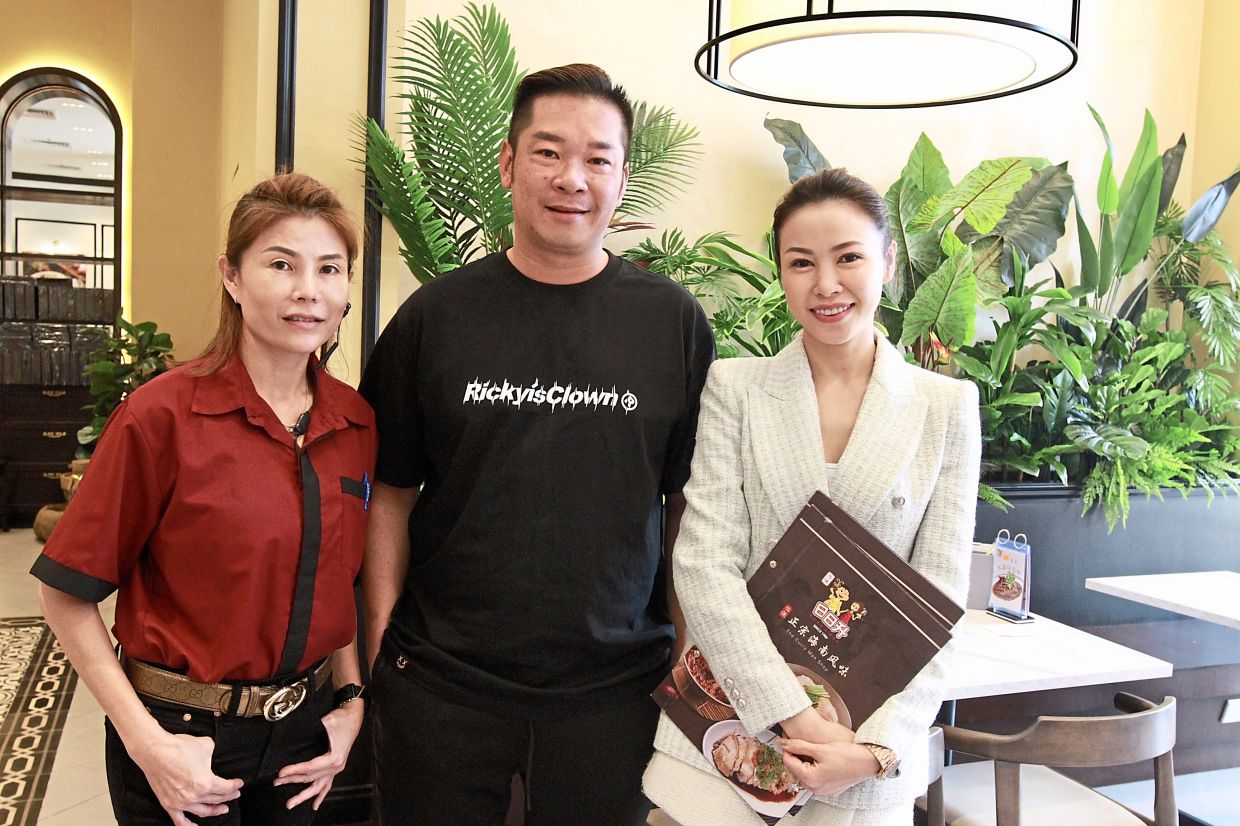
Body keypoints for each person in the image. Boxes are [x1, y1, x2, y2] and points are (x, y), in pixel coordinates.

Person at [359, 63, 714, 825]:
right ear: (509, 162)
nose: (572, 179)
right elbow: (389, 490)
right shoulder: (436, 316)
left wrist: (686, 662)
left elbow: (689, 506)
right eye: (549, 152)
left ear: (622, 176)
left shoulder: (673, 324)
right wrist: (382, 645)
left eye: (597, 158)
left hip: (615, 692)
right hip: (442, 685)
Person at [32, 172, 375, 826]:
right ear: (232, 277)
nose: (309, 289)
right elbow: (64, 593)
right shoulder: (161, 417)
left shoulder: (354, 423)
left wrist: (351, 701)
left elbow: (337, 582)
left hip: (302, 738)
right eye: (282, 264)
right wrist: (146, 742)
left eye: (330, 269)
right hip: (180, 733)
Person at [643, 168, 981, 826]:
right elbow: (704, 563)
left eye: (848, 257)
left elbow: (939, 602)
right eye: (801, 263)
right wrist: (794, 713)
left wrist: (876, 748)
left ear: (886, 262)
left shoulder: (945, 407)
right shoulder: (736, 388)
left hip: (857, 763)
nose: (825, 285)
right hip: (728, 736)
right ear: (781, 273)